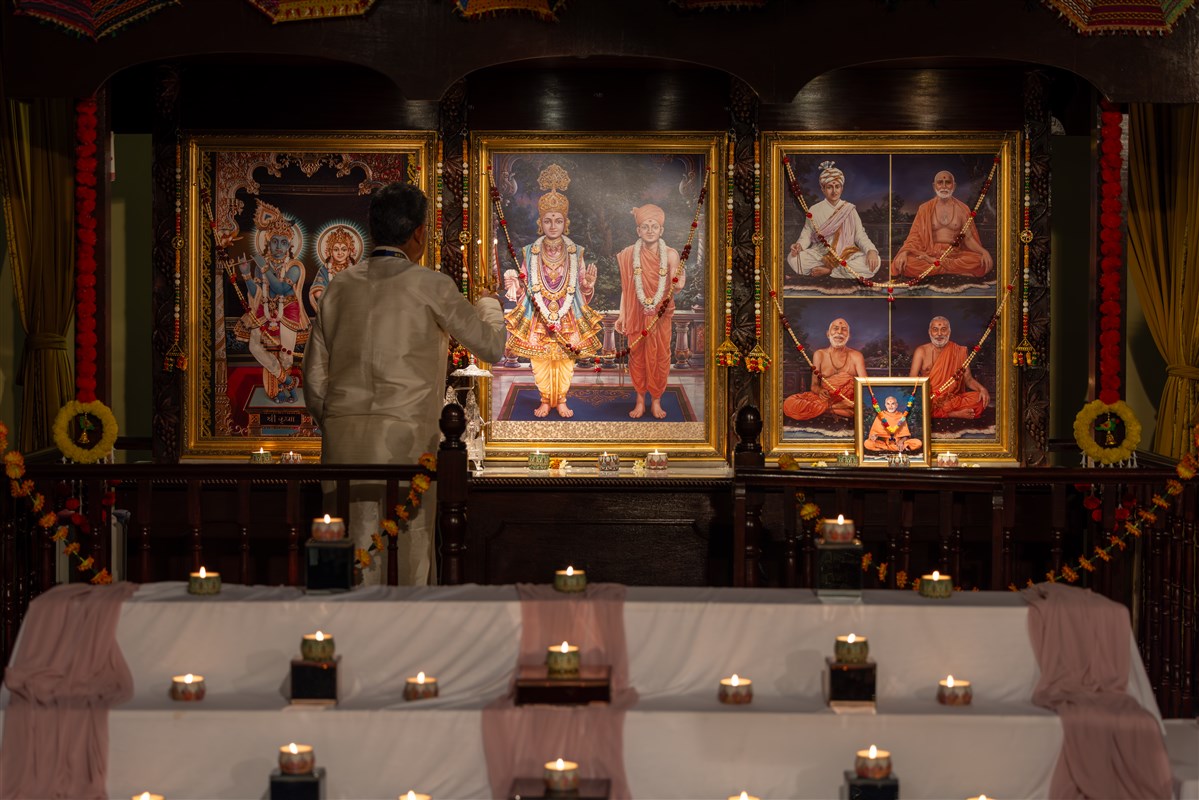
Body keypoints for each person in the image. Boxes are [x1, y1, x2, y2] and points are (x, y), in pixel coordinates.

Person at [303, 182, 506, 586]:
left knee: (343, 550)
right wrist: (488, 302)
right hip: (407, 445)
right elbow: (491, 346)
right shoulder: (431, 285)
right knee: (405, 556)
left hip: (343, 446)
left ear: (373, 229)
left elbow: (314, 378)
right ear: (419, 233)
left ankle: (336, 624)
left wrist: (339, 420)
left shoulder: (338, 287)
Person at [503, 164, 604, 418]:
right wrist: (515, 284)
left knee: (566, 360)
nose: (553, 225)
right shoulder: (530, 252)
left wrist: (588, 285)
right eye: (548, 220)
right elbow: (525, 283)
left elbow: (581, 288)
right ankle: (545, 399)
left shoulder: (576, 252)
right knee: (540, 361)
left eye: (558, 220)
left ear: (565, 223)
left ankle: (561, 400)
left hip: (567, 313)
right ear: (541, 223)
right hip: (539, 313)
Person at [234, 199, 311, 403]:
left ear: (290, 246)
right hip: (265, 308)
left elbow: (281, 288)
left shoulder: (295, 266)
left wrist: (264, 267)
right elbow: (257, 293)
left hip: (289, 311)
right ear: (268, 243)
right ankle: (288, 381)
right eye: (275, 241)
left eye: (283, 242)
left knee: (285, 356)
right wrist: (246, 275)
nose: (278, 246)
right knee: (255, 346)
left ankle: (282, 391)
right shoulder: (262, 265)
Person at [615, 204, 684, 418]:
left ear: (661, 230)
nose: (650, 230)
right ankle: (639, 401)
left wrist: (679, 281)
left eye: (654, 226)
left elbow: (677, 284)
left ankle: (656, 401)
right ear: (639, 231)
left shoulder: (671, 255)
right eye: (645, 226)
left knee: (660, 356)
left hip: (660, 315)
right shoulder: (629, 255)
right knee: (637, 357)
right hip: (637, 314)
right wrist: (622, 314)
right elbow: (627, 289)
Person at [890, 170, 994, 279]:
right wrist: (905, 252)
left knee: (979, 261)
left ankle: (937, 265)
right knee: (906, 263)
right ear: (934, 186)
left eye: (948, 182)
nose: (944, 186)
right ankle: (951, 269)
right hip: (929, 253)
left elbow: (968, 238)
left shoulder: (963, 209)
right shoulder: (924, 208)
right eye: (940, 182)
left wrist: (983, 251)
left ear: (954, 186)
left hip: (954, 254)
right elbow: (915, 236)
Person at [787, 161, 881, 280]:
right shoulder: (814, 210)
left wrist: (871, 250)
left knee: (875, 261)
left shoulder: (849, 209)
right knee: (793, 259)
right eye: (829, 187)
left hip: (846, 254)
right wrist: (799, 246)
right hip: (820, 254)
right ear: (822, 189)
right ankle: (837, 270)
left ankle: (829, 270)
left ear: (842, 188)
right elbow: (806, 234)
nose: (834, 191)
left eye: (837, 186)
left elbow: (860, 235)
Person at [782, 317, 867, 421]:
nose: (839, 332)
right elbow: (814, 386)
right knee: (789, 403)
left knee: (856, 408)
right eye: (835, 328)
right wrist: (820, 391)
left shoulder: (857, 356)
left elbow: (866, 387)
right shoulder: (819, 354)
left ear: (849, 336)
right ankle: (834, 408)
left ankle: (824, 410)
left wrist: (850, 402)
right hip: (824, 400)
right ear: (828, 334)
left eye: (844, 329)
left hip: (847, 401)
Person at [908, 315, 990, 419]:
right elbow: (912, 381)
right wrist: (922, 399)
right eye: (935, 329)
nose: (939, 334)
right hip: (930, 398)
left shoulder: (959, 351)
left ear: (949, 332)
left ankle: (942, 412)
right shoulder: (921, 351)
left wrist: (982, 389)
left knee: (980, 399)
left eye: (943, 329)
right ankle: (953, 414)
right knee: (918, 404)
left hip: (951, 399)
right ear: (929, 332)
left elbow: (968, 379)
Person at [308, 224, 361, 312]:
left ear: (349, 251)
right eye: (336, 249)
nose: (340, 253)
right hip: (331, 308)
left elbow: (360, 290)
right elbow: (317, 291)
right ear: (330, 252)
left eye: (344, 249)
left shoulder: (355, 269)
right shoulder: (325, 269)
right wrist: (333, 299)